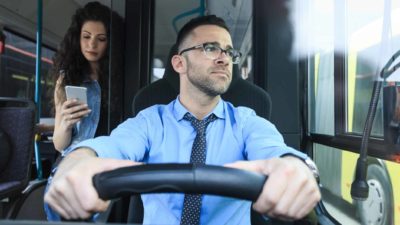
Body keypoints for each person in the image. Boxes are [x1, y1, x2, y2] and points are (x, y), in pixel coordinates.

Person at [44, 15, 321, 224]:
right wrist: (75, 163)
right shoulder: (150, 121)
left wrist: (296, 168)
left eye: (228, 51)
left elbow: (276, 151)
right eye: (211, 48)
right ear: (179, 64)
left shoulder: (248, 122)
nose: (224, 58)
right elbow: (110, 145)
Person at [44, 1, 113, 221]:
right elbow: (60, 144)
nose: (92, 44)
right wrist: (63, 122)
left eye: (100, 39)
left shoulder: (120, 81)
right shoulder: (67, 80)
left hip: (106, 163)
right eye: (86, 36)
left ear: (110, 43)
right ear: (77, 38)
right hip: (72, 159)